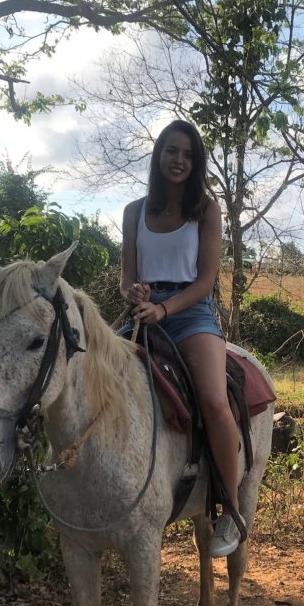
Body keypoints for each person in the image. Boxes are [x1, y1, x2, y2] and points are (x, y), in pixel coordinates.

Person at [120, 119, 245, 558]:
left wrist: (165, 309)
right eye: (172, 151)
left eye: (188, 155)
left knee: (213, 400)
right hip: (143, 313)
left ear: (196, 163)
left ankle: (231, 509)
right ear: (159, 156)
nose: (179, 161)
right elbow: (127, 277)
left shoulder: (207, 210)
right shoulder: (134, 211)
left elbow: (206, 281)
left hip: (191, 315)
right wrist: (135, 294)